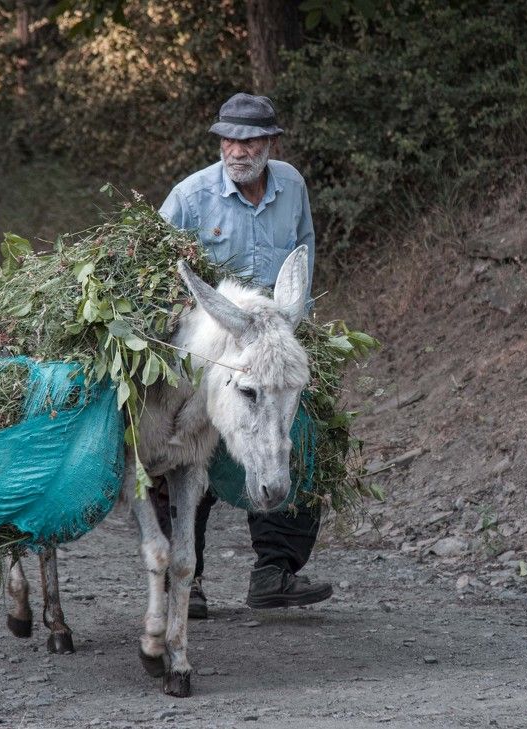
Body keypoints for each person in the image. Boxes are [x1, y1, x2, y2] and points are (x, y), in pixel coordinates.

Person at [157, 92, 333, 619]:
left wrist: (289, 335)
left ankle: (274, 571)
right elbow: (156, 273)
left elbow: (303, 254)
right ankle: (186, 580)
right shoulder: (190, 197)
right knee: (191, 446)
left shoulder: (291, 186)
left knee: (296, 438)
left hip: (270, 342)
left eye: (250, 141)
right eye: (229, 140)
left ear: (270, 143)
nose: (238, 151)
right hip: (210, 349)